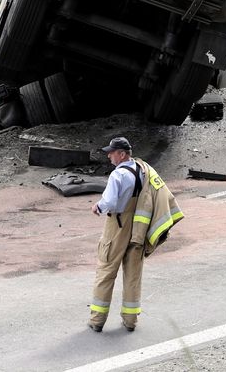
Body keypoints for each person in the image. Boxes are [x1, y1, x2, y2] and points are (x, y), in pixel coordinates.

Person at [88, 136, 147, 333]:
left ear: (122, 154)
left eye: (112, 152)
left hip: (118, 224)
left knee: (106, 270)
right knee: (133, 274)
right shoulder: (142, 170)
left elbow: (111, 201)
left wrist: (98, 205)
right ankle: (130, 321)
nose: (108, 156)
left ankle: (97, 320)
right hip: (138, 224)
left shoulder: (118, 175)